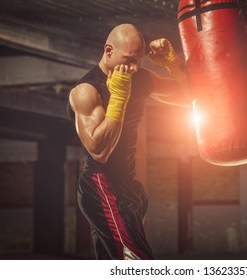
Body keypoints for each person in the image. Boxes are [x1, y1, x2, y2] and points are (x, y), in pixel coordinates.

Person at [68, 23, 190, 260]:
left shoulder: (140, 78)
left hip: (130, 187)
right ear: (109, 50)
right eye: (128, 59)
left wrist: (174, 65)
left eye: (139, 60)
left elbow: (189, 98)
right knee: (137, 261)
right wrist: (119, 98)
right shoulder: (86, 90)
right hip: (101, 187)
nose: (134, 67)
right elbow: (98, 151)